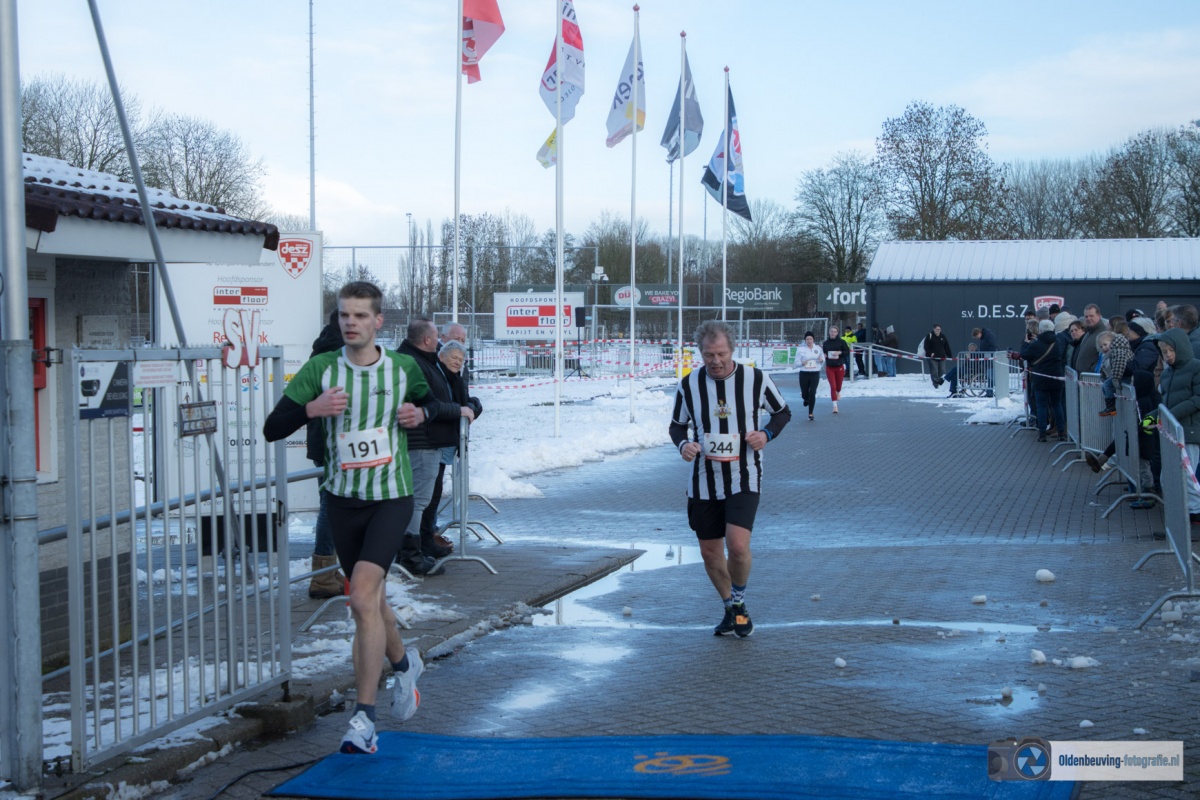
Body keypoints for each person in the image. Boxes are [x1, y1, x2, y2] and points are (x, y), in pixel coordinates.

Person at [263, 281, 430, 755]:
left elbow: (432, 403)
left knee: (360, 599)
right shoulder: (321, 368)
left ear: (378, 321)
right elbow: (272, 427)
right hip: (342, 500)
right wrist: (310, 410)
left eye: (359, 315)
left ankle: (364, 719)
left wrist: (418, 415)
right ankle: (405, 666)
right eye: (343, 315)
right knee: (371, 603)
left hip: (390, 497)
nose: (350, 323)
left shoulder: (403, 368)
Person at [670, 320, 791, 638]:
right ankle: (732, 609)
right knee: (710, 553)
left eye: (721, 354)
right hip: (703, 480)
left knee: (737, 546)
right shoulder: (689, 385)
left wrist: (765, 434)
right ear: (700, 353)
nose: (715, 361)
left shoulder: (755, 379)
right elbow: (677, 426)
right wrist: (684, 445)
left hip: (744, 475)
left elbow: (782, 413)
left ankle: (738, 602)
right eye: (708, 355)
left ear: (732, 350)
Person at [397, 320, 475, 574]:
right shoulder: (414, 364)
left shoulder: (423, 362)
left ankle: (415, 549)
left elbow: (439, 400)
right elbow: (431, 404)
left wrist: (465, 405)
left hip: (429, 440)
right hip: (421, 440)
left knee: (421, 499)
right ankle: (409, 555)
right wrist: (459, 410)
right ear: (430, 340)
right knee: (418, 500)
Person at [306, 309, 347, 599]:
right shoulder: (333, 357)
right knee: (330, 507)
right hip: (335, 443)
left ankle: (329, 570)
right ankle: (322, 576)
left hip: (333, 441)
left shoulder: (329, 352)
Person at [425, 340, 482, 548]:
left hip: (446, 442)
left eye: (461, 359)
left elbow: (462, 401)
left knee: (435, 489)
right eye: (454, 358)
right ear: (441, 357)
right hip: (433, 442)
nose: (458, 362)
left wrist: (472, 405)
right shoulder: (436, 376)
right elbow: (441, 406)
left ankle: (429, 535)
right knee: (430, 492)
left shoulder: (454, 378)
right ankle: (426, 538)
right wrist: (462, 409)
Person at [1155, 328, 1200, 525]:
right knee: (1169, 478)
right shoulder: (1167, 374)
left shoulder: (1196, 367)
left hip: (1190, 432)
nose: (1168, 355)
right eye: (1164, 351)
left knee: (1187, 477)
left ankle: (1194, 514)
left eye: (1171, 350)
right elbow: (1164, 404)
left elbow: (1197, 399)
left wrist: (1170, 415)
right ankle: (1180, 519)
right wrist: (1147, 420)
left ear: (1181, 348)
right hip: (1172, 433)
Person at [1021, 319, 1066, 442]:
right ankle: (1061, 432)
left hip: (1040, 378)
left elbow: (1024, 355)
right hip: (1056, 377)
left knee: (1041, 406)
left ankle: (1042, 433)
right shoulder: (1058, 341)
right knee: (1057, 405)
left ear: (1040, 330)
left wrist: (1026, 343)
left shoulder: (1036, 343)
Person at [1096, 331, 1132, 416]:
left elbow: (1118, 366)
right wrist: (1103, 376)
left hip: (1119, 376)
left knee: (1107, 385)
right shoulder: (1106, 356)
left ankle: (1111, 406)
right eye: (1101, 346)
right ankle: (1110, 405)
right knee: (1105, 386)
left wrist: (1115, 378)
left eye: (1105, 344)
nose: (1104, 348)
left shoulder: (1117, 353)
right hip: (1113, 376)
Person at [796, 332, 823, 420]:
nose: (809, 341)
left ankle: (811, 413)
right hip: (804, 373)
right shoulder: (801, 350)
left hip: (815, 373)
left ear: (813, 339)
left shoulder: (818, 349)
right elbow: (796, 363)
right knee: (804, 393)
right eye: (807, 339)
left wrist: (821, 360)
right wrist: (802, 363)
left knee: (812, 392)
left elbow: (823, 360)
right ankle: (805, 399)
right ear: (805, 340)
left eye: (810, 339)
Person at [823, 325, 850, 414]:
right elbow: (823, 353)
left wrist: (840, 352)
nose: (833, 333)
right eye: (831, 331)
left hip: (839, 366)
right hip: (830, 367)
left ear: (837, 333)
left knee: (838, 386)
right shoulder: (826, 343)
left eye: (834, 332)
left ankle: (838, 392)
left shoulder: (841, 342)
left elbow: (847, 351)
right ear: (829, 332)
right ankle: (835, 406)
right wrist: (824, 355)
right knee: (833, 386)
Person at [1075, 304, 1107, 374]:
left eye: (1091, 316)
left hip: (1091, 377)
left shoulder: (1104, 334)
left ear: (1099, 315)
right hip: (1083, 376)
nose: (1088, 318)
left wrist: (1092, 371)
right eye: (1086, 316)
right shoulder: (1088, 332)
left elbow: (1105, 357)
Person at [923, 324, 952, 388]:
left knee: (942, 371)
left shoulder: (943, 336)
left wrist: (950, 356)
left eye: (939, 329)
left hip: (942, 357)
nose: (938, 330)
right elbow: (926, 346)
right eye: (937, 329)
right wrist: (930, 353)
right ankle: (935, 383)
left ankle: (937, 381)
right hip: (932, 357)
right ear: (934, 329)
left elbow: (946, 346)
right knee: (934, 371)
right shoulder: (930, 335)